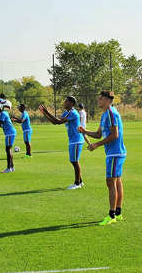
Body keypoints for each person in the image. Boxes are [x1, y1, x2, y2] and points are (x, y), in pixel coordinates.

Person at [79, 91, 126, 225]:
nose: (98, 101)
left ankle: (112, 216)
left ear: (107, 100)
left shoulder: (111, 113)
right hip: (115, 153)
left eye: (100, 99)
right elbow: (99, 134)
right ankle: (118, 212)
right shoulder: (105, 114)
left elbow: (115, 135)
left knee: (110, 183)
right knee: (117, 182)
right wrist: (85, 131)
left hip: (115, 153)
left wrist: (96, 145)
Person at [39, 96, 85, 189]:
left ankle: (77, 183)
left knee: (75, 161)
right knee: (73, 161)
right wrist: (45, 113)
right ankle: (80, 181)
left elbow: (59, 121)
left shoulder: (73, 113)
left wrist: (47, 112)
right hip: (73, 140)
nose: (64, 103)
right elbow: (55, 122)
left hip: (77, 140)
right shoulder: (67, 112)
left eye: (66, 101)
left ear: (71, 103)